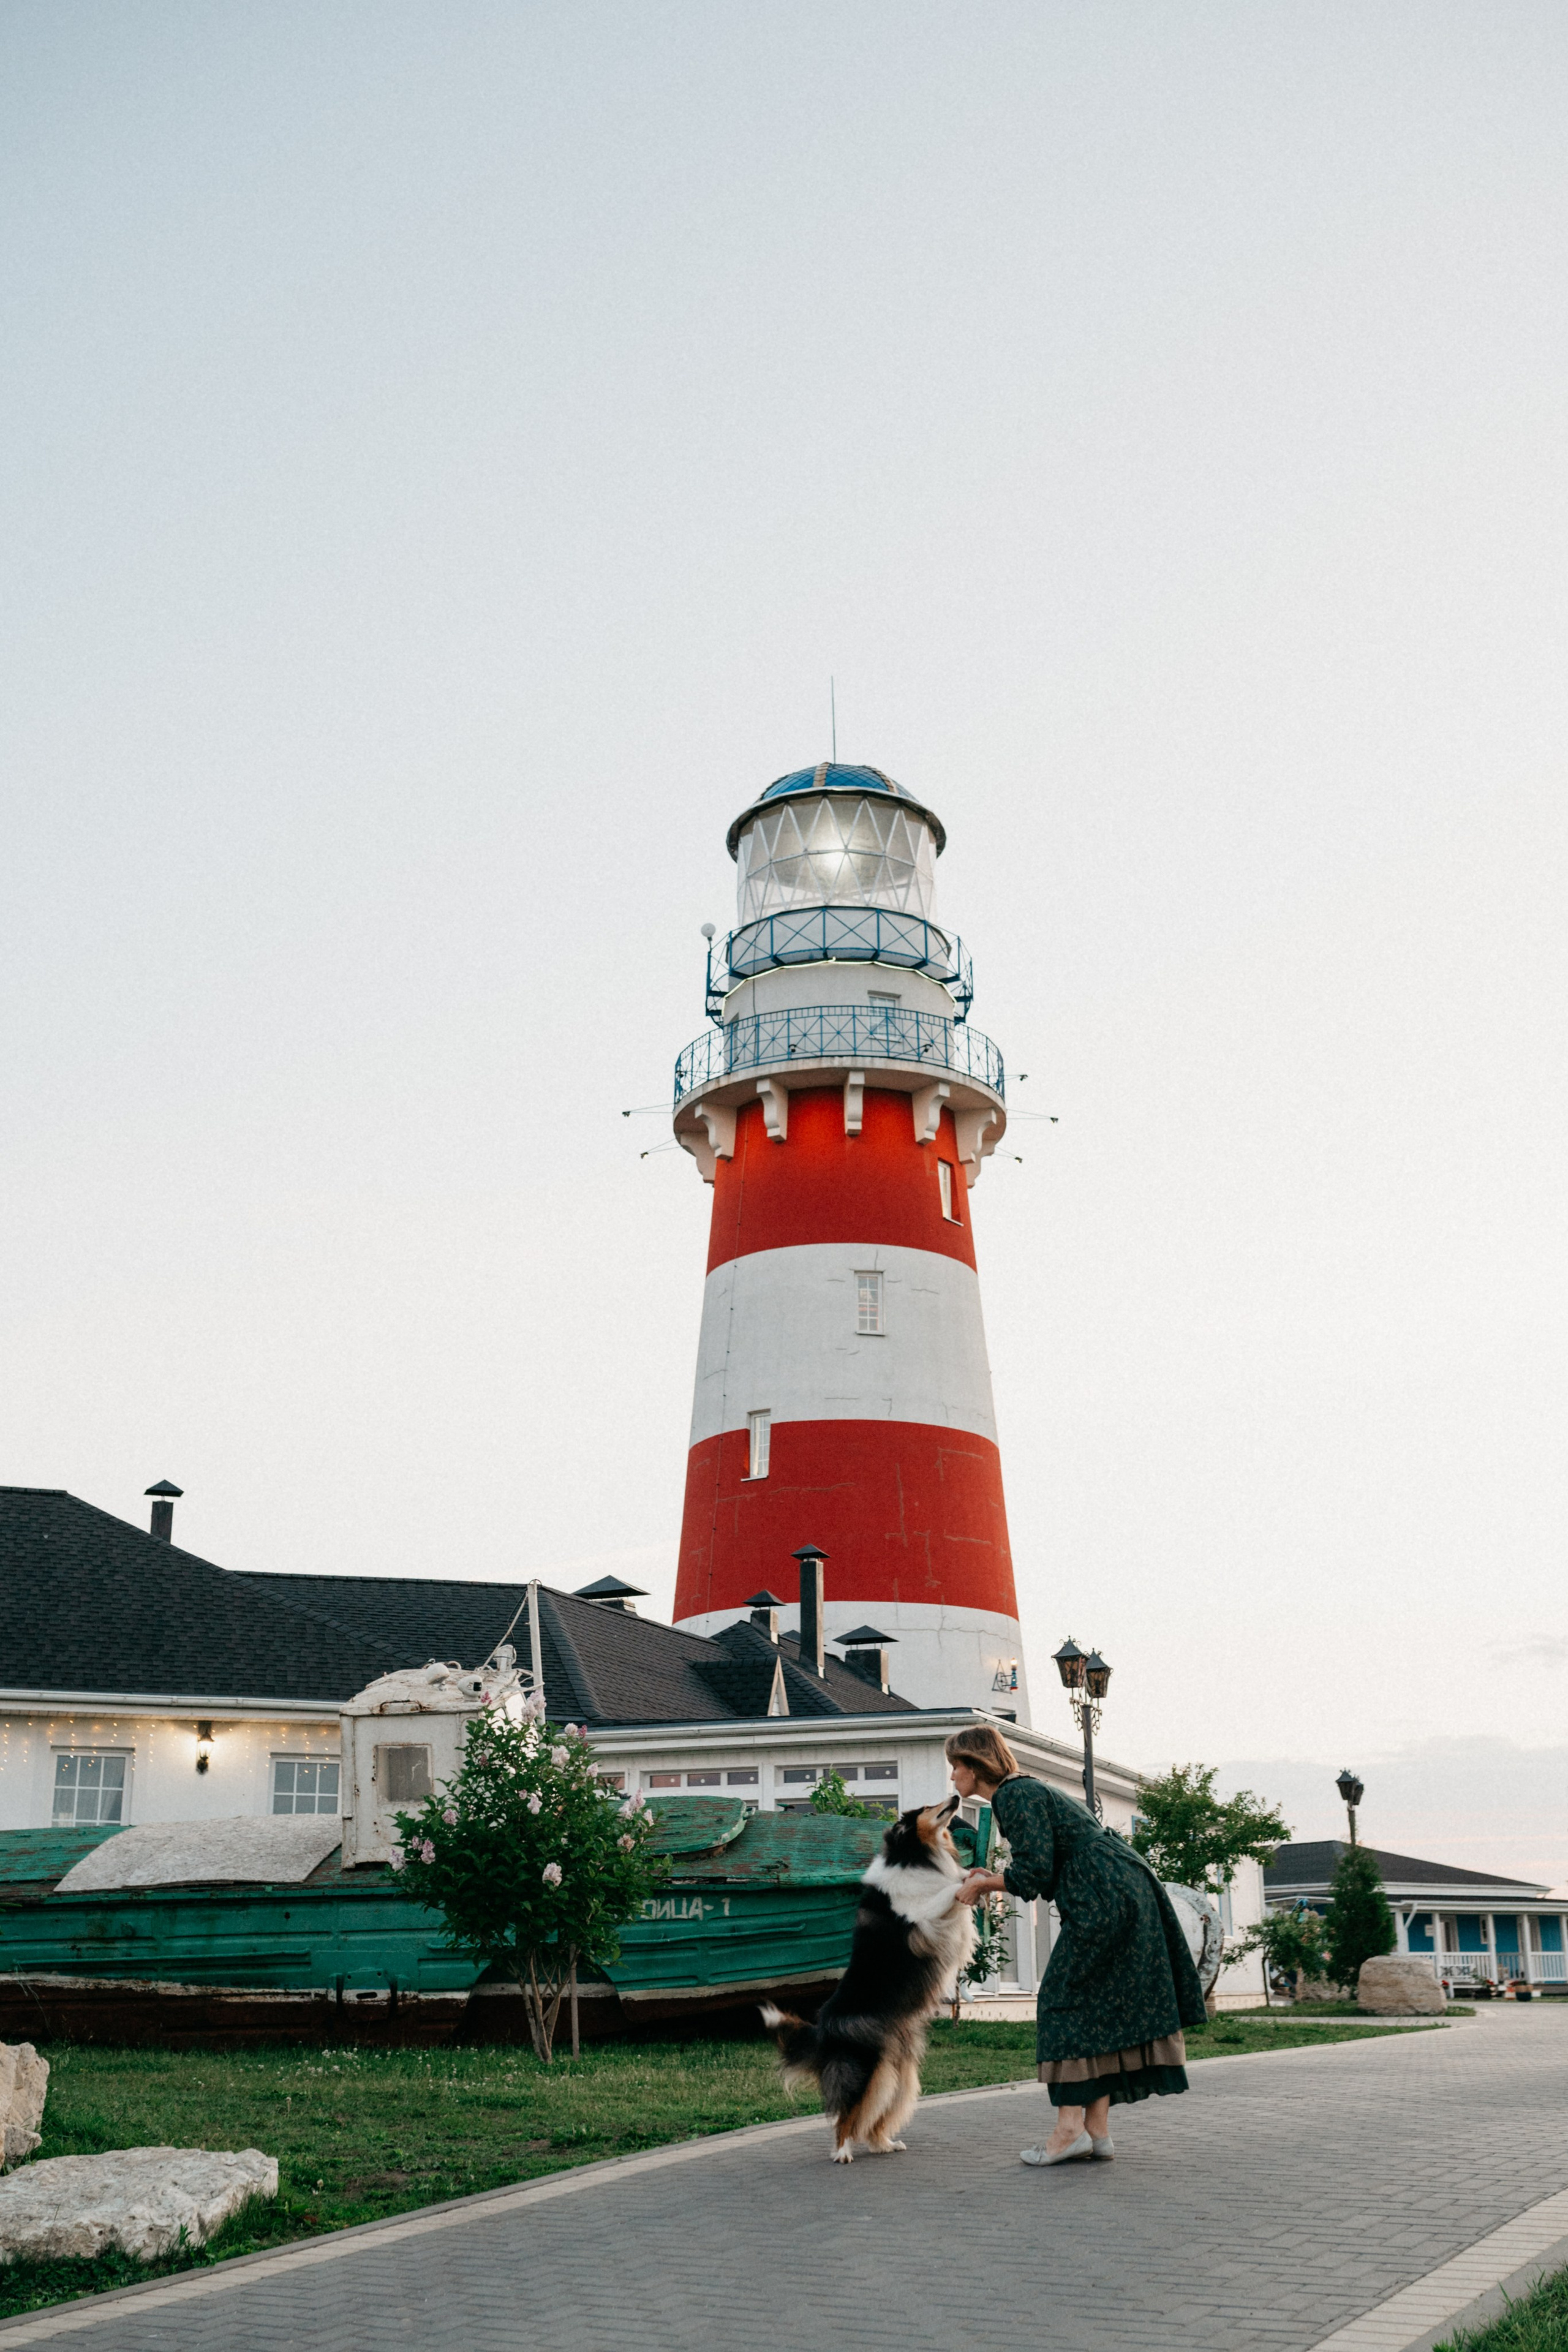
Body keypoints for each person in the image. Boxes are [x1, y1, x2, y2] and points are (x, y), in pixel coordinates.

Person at [949, 1724, 1208, 2167]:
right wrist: (989, 1877)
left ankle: (1068, 2131)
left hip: (1104, 1894)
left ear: (975, 1766)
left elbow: (1033, 1874)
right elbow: (1041, 1865)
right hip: (1122, 1886)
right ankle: (1096, 2132)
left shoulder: (1013, 1796)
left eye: (956, 1767)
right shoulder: (1026, 1792)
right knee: (1096, 2004)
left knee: (1063, 2001)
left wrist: (983, 1886)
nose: (953, 1777)